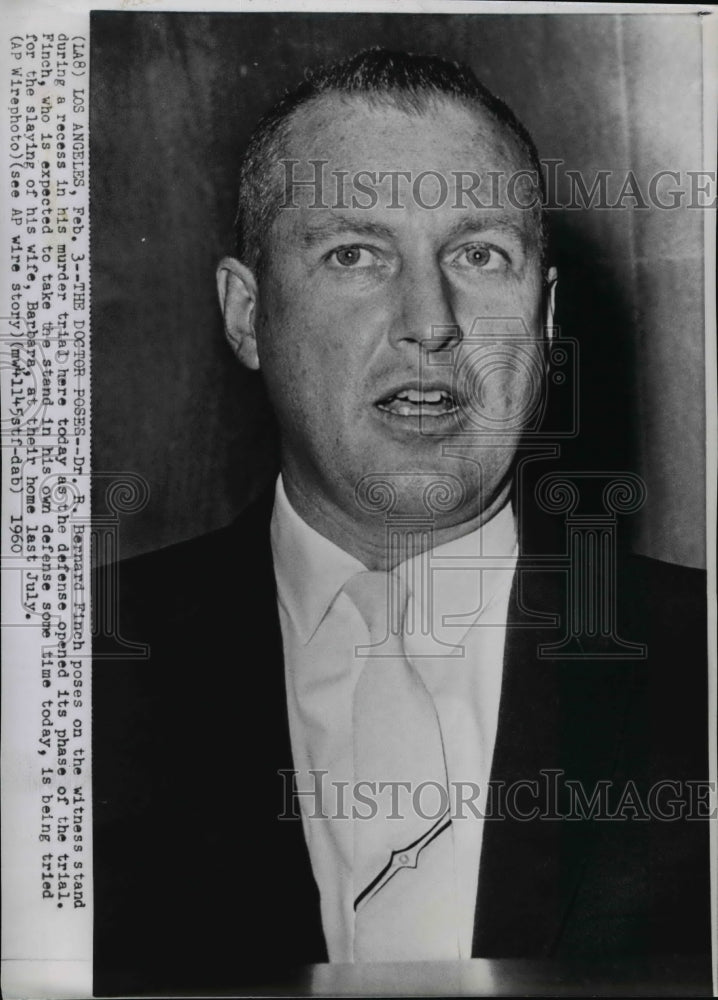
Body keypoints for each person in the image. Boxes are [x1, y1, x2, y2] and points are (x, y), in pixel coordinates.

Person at [92, 49, 710, 994]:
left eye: (478, 254)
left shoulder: (699, 662)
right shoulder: (71, 675)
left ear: (544, 325)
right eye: (354, 254)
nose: (431, 321)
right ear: (248, 315)